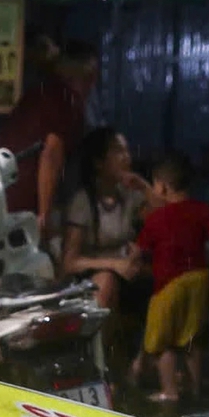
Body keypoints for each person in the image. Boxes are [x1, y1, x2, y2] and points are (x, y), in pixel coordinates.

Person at [130, 154, 209, 403]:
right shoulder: (202, 209)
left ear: (162, 186)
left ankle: (169, 391)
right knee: (191, 338)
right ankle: (195, 390)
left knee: (162, 341)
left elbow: (137, 253)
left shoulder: (156, 218)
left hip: (168, 284)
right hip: (198, 279)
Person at [0, 39, 100, 231]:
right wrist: (44, 215)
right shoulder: (66, 100)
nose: (91, 85)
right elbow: (51, 154)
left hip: (3, 192)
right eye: (89, 77)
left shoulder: (38, 93)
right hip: (25, 199)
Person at [61, 126, 149, 310]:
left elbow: (168, 216)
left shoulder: (130, 195)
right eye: (118, 151)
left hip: (128, 271)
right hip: (91, 275)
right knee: (106, 281)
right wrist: (114, 264)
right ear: (98, 162)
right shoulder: (83, 202)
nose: (126, 157)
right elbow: (70, 262)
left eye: (126, 150)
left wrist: (144, 187)